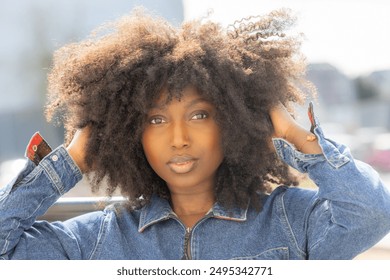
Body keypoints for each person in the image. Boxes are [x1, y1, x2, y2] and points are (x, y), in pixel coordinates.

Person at [1, 8, 390, 260]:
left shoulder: (290, 220)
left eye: (200, 114)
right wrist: (69, 163)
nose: (179, 138)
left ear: (234, 123)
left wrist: (295, 136)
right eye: (156, 120)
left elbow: (370, 214)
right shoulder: (96, 239)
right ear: (128, 134)